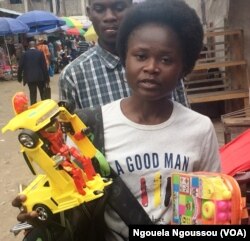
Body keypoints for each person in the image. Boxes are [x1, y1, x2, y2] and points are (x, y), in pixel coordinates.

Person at [12, 0, 221, 240]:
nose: (151, 67)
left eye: (166, 60)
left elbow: (212, 204)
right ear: (125, 59)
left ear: (184, 68)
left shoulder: (200, 129)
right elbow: (69, 193)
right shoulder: (88, 126)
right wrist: (43, 213)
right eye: (141, 56)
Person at [58, 0, 188, 109]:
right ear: (89, 13)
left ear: (133, 9)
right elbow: (71, 135)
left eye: (119, 8)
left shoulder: (165, 62)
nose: (109, 17)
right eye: (99, 9)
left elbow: (185, 120)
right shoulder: (73, 76)